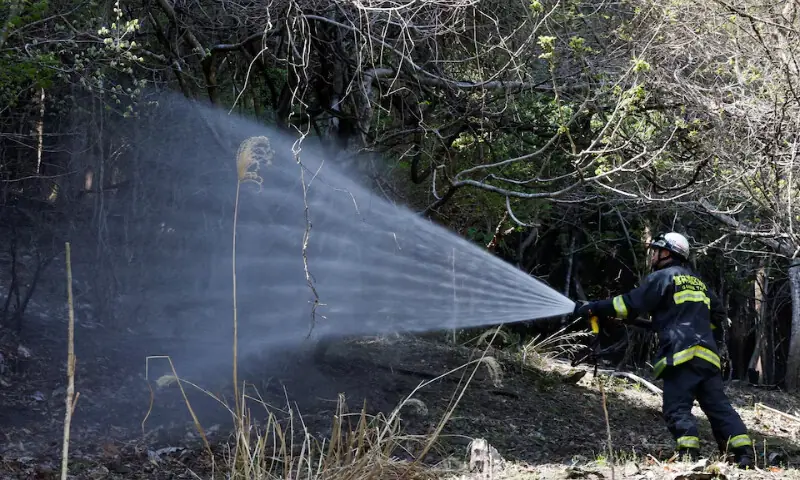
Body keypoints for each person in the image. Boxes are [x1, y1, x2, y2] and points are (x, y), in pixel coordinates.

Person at [574, 232, 754, 469]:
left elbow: (627, 305)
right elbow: (716, 315)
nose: (653, 255)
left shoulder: (663, 277)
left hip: (681, 354)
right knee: (719, 407)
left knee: (677, 407)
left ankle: (689, 454)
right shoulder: (698, 282)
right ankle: (744, 454)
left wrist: (594, 307)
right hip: (708, 357)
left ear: (667, 253)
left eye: (656, 250)